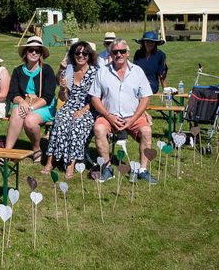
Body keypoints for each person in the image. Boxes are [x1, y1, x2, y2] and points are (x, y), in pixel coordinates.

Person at [89, 38, 157, 184]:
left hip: (132, 116)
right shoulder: (102, 71)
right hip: (108, 116)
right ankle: (107, 168)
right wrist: (108, 116)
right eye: (115, 52)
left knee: (146, 131)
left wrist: (133, 119)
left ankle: (143, 170)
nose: (119, 54)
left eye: (122, 51)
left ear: (128, 53)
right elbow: (95, 98)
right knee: (99, 128)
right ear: (111, 54)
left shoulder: (137, 71)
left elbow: (145, 97)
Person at [43, 41, 98, 178]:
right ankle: (51, 161)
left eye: (84, 53)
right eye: (77, 53)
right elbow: (64, 97)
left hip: (89, 108)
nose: (81, 55)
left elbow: (97, 98)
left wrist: (83, 110)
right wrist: (62, 88)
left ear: (89, 55)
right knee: (60, 121)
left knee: (76, 125)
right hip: (69, 105)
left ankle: (70, 164)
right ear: (73, 55)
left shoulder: (95, 72)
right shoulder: (69, 69)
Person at [4, 36, 57, 163]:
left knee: (30, 120)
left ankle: (36, 148)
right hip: (24, 103)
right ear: (25, 53)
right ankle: (7, 151)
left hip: (43, 105)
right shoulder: (18, 71)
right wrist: (22, 102)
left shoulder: (47, 70)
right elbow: (13, 93)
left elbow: (48, 97)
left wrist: (31, 108)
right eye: (30, 50)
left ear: (41, 54)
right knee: (17, 112)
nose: (34, 53)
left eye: (37, 51)